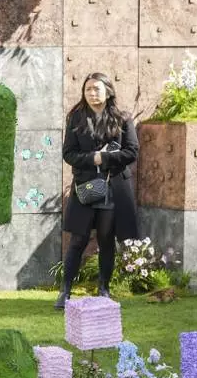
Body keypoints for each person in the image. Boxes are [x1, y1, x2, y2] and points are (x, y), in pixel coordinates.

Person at [56, 72, 140, 309]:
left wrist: (103, 158)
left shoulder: (123, 118)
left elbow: (132, 151)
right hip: (85, 187)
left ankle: (104, 289)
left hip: (114, 188)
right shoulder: (76, 118)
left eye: (97, 89)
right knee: (78, 239)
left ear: (108, 91)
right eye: (88, 89)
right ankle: (65, 291)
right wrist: (91, 158)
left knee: (106, 239)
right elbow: (68, 154)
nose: (92, 93)